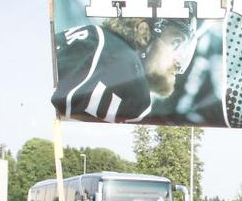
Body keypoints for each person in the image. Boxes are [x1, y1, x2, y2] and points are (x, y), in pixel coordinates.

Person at [50, 9, 198, 124]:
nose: (179, 63)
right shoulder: (132, 84)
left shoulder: (96, 37)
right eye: (175, 42)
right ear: (144, 32)